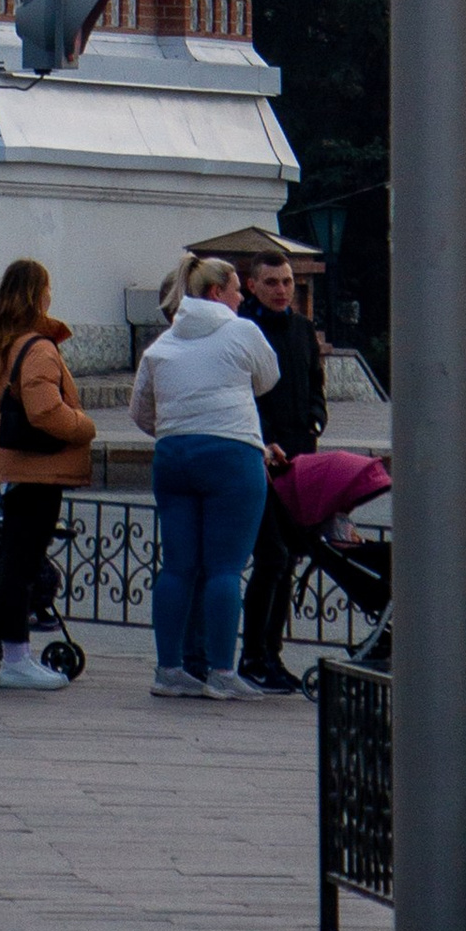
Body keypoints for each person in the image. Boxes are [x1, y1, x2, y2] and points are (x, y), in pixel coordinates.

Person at [129, 251, 279, 701]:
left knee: (176, 567)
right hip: (232, 453)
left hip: (173, 456)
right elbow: (268, 378)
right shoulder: (242, 331)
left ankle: (169, 670)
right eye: (236, 289)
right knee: (224, 569)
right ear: (217, 292)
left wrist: (178, 427)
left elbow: (140, 412)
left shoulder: (161, 346)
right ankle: (220, 671)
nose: (241, 297)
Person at [0, 254, 96, 693]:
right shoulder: (37, 347)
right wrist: (85, 427)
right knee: (22, 565)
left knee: (14, 562)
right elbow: (46, 410)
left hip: (9, 467)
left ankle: (11, 653)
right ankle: (16, 657)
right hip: (39, 468)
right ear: (38, 295)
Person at [234, 245, 327, 694]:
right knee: (270, 556)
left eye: (287, 282)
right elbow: (244, 396)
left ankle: (271, 653)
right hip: (260, 455)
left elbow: (315, 386)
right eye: (271, 282)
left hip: (299, 458)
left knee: (286, 560)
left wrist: (315, 418)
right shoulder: (243, 330)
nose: (281, 290)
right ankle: (252, 654)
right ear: (251, 285)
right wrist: (265, 438)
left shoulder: (302, 330)